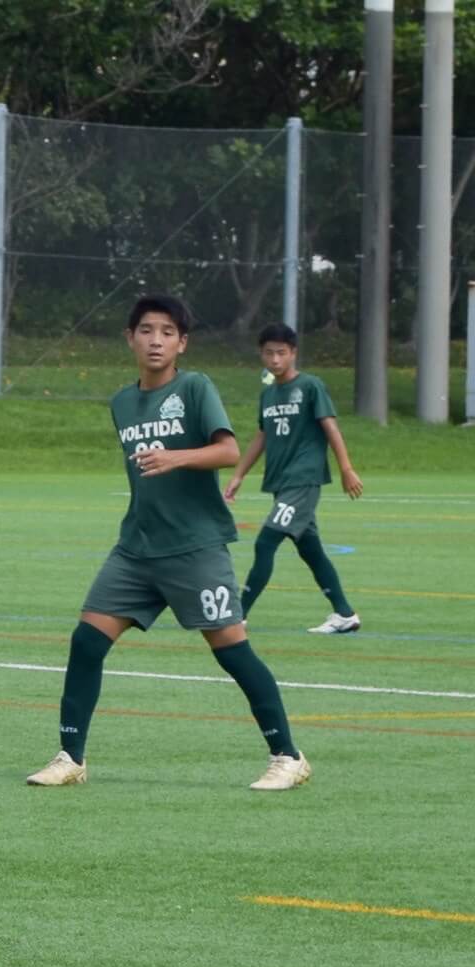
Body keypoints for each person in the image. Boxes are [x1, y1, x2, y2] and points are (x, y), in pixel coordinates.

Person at [27, 295, 309, 791]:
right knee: (86, 642)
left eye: (167, 332)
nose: (155, 340)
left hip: (195, 548)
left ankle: (288, 756)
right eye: (146, 330)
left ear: (182, 343)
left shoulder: (195, 387)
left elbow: (228, 450)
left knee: (232, 651)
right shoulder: (121, 402)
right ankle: (71, 757)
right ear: (130, 338)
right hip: (136, 549)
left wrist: (175, 457)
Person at [223, 323, 364, 634]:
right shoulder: (268, 394)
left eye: (281, 353)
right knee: (310, 550)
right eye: (269, 353)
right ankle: (345, 614)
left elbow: (330, 427)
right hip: (281, 482)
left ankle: (238, 616)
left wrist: (346, 468)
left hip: (303, 481)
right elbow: (262, 436)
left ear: (293, 353)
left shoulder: (310, 386)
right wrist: (239, 474)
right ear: (261, 354)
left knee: (265, 542)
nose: (275, 359)